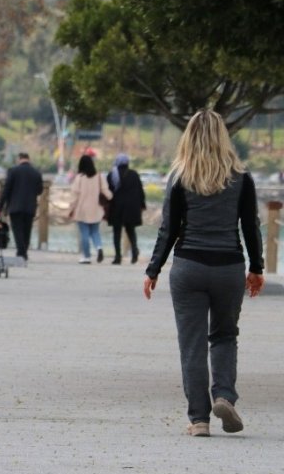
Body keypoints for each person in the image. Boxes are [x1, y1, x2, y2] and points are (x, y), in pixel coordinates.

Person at [143, 109, 264, 437]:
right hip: (228, 267)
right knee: (224, 335)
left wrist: (153, 269)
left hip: (189, 268)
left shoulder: (180, 176)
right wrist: (257, 268)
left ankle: (199, 420)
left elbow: (169, 228)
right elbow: (251, 227)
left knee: (192, 344)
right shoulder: (241, 178)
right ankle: (223, 395)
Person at [0, 152, 43, 261]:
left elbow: (6, 190)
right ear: (29, 159)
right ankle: (24, 251)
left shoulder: (13, 171)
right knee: (27, 230)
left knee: (17, 230)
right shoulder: (36, 173)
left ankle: (21, 252)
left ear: (19, 159)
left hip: (15, 206)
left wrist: (0, 206)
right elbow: (40, 190)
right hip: (30, 206)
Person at [69, 154, 112, 264]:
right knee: (95, 232)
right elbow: (106, 191)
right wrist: (111, 197)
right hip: (96, 209)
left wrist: (71, 208)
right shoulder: (99, 176)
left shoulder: (79, 178)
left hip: (81, 209)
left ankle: (86, 256)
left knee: (84, 233)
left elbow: (74, 195)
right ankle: (99, 247)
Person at [106, 153, 145, 264]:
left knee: (116, 232)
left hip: (116, 207)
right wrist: (142, 205)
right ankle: (134, 254)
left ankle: (118, 257)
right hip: (132, 208)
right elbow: (140, 191)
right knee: (131, 231)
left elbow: (109, 191)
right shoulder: (134, 174)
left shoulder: (112, 175)